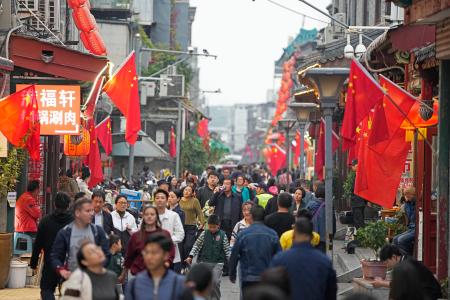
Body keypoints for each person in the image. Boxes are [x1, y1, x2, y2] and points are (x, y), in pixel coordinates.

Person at [271, 218, 337, 300]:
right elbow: (331, 293)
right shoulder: (324, 261)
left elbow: (272, 290)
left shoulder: (279, 259)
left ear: (293, 236)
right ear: (312, 236)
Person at [51, 197, 110, 279]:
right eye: (88, 211)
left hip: (94, 280)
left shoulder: (98, 231)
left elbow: (106, 254)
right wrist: (61, 270)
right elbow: (55, 256)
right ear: (77, 213)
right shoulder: (65, 232)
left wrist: (99, 267)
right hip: (72, 279)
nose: (92, 213)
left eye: (92, 210)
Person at [30, 192, 73, 300]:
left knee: (47, 289)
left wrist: (33, 263)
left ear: (54, 204)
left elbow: (38, 244)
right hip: (69, 264)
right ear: (68, 205)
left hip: (50, 263)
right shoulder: (75, 222)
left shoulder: (45, 221)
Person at [229, 205, 281, 291]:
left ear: (251, 216)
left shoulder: (243, 234)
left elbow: (234, 255)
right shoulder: (272, 234)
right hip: (267, 277)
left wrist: (232, 273)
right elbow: (279, 256)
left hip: (248, 278)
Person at [125, 233, 185, 300]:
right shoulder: (134, 285)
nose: (149, 257)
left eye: (154, 252)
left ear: (166, 255)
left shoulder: (179, 284)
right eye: (146, 252)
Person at [122, 205, 174, 280]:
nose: (149, 216)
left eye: (152, 214)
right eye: (146, 214)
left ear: (157, 216)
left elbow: (171, 252)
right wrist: (124, 273)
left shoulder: (165, 234)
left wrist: (166, 263)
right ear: (143, 216)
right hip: (140, 275)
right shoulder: (136, 236)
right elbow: (129, 256)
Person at [186, 215, 231, 300]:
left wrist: (231, 261)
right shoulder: (204, 233)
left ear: (219, 225)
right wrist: (190, 256)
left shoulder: (222, 235)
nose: (212, 229)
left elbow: (227, 250)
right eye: (210, 227)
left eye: (214, 227)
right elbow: (197, 245)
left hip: (218, 263)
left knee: (215, 282)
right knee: (205, 283)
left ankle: (216, 298)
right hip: (205, 262)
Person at [373, 244, 441, 299]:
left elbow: (400, 285)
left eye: (387, 262)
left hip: (428, 294)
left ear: (394, 257)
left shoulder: (406, 265)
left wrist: (381, 283)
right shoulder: (404, 260)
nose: (387, 266)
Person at [154, 188, 185, 272]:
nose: (160, 200)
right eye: (157, 198)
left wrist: (167, 240)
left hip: (170, 255)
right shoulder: (149, 214)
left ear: (166, 199)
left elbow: (180, 234)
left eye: (162, 198)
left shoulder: (174, 215)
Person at [179, 185, 205, 267]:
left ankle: (188, 261)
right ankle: (183, 265)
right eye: (185, 189)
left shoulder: (195, 201)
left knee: (188, 245)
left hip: (191, 226)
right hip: (180, 226)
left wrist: (202, 222)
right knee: (181, 247)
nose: (186, 191)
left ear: (192, 193)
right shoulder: (178, 200)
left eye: (189, 190)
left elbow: (199, 212)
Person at [393, 187, 416, 255]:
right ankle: (398, 259)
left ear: (413, 194)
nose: (407, 196)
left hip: (416, 228)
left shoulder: (416, 203)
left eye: (409, 194)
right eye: (405, 194)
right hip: (411, 228)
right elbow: (406, 217)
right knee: (395, 239)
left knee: (401, 240)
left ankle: (407, 258)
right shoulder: (406, 204)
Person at [306, 183, 327, 252]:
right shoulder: (329, 206)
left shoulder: (310, 204)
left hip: (312, 236)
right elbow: (333, 224)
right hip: (324, 237)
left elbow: (305, 219)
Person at [350, 159, 367, 229]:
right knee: (358, 221)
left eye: (353, 165)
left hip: (358, 202)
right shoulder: (357, 175)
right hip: (359, 202)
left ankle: (360, 237)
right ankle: (359, 235)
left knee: (359, 222)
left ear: (357, 166)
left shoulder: (360, 176)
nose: (352, 167)